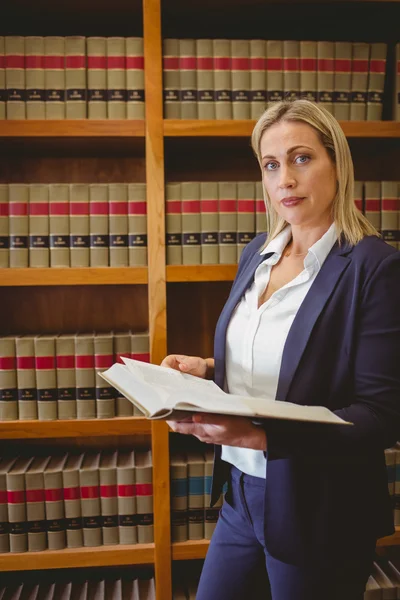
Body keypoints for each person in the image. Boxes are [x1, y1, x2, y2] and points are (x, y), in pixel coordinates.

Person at [161, 99, 400, 600]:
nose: (284, 179)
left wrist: (261, 436)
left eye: (301, 158)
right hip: (240, 494)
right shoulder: (257, 254)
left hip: (320, 506)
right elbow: (280, 362)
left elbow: (381, 414)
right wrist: (205, 370)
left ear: (337, 164)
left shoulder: (375, 267)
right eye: (271, 165)